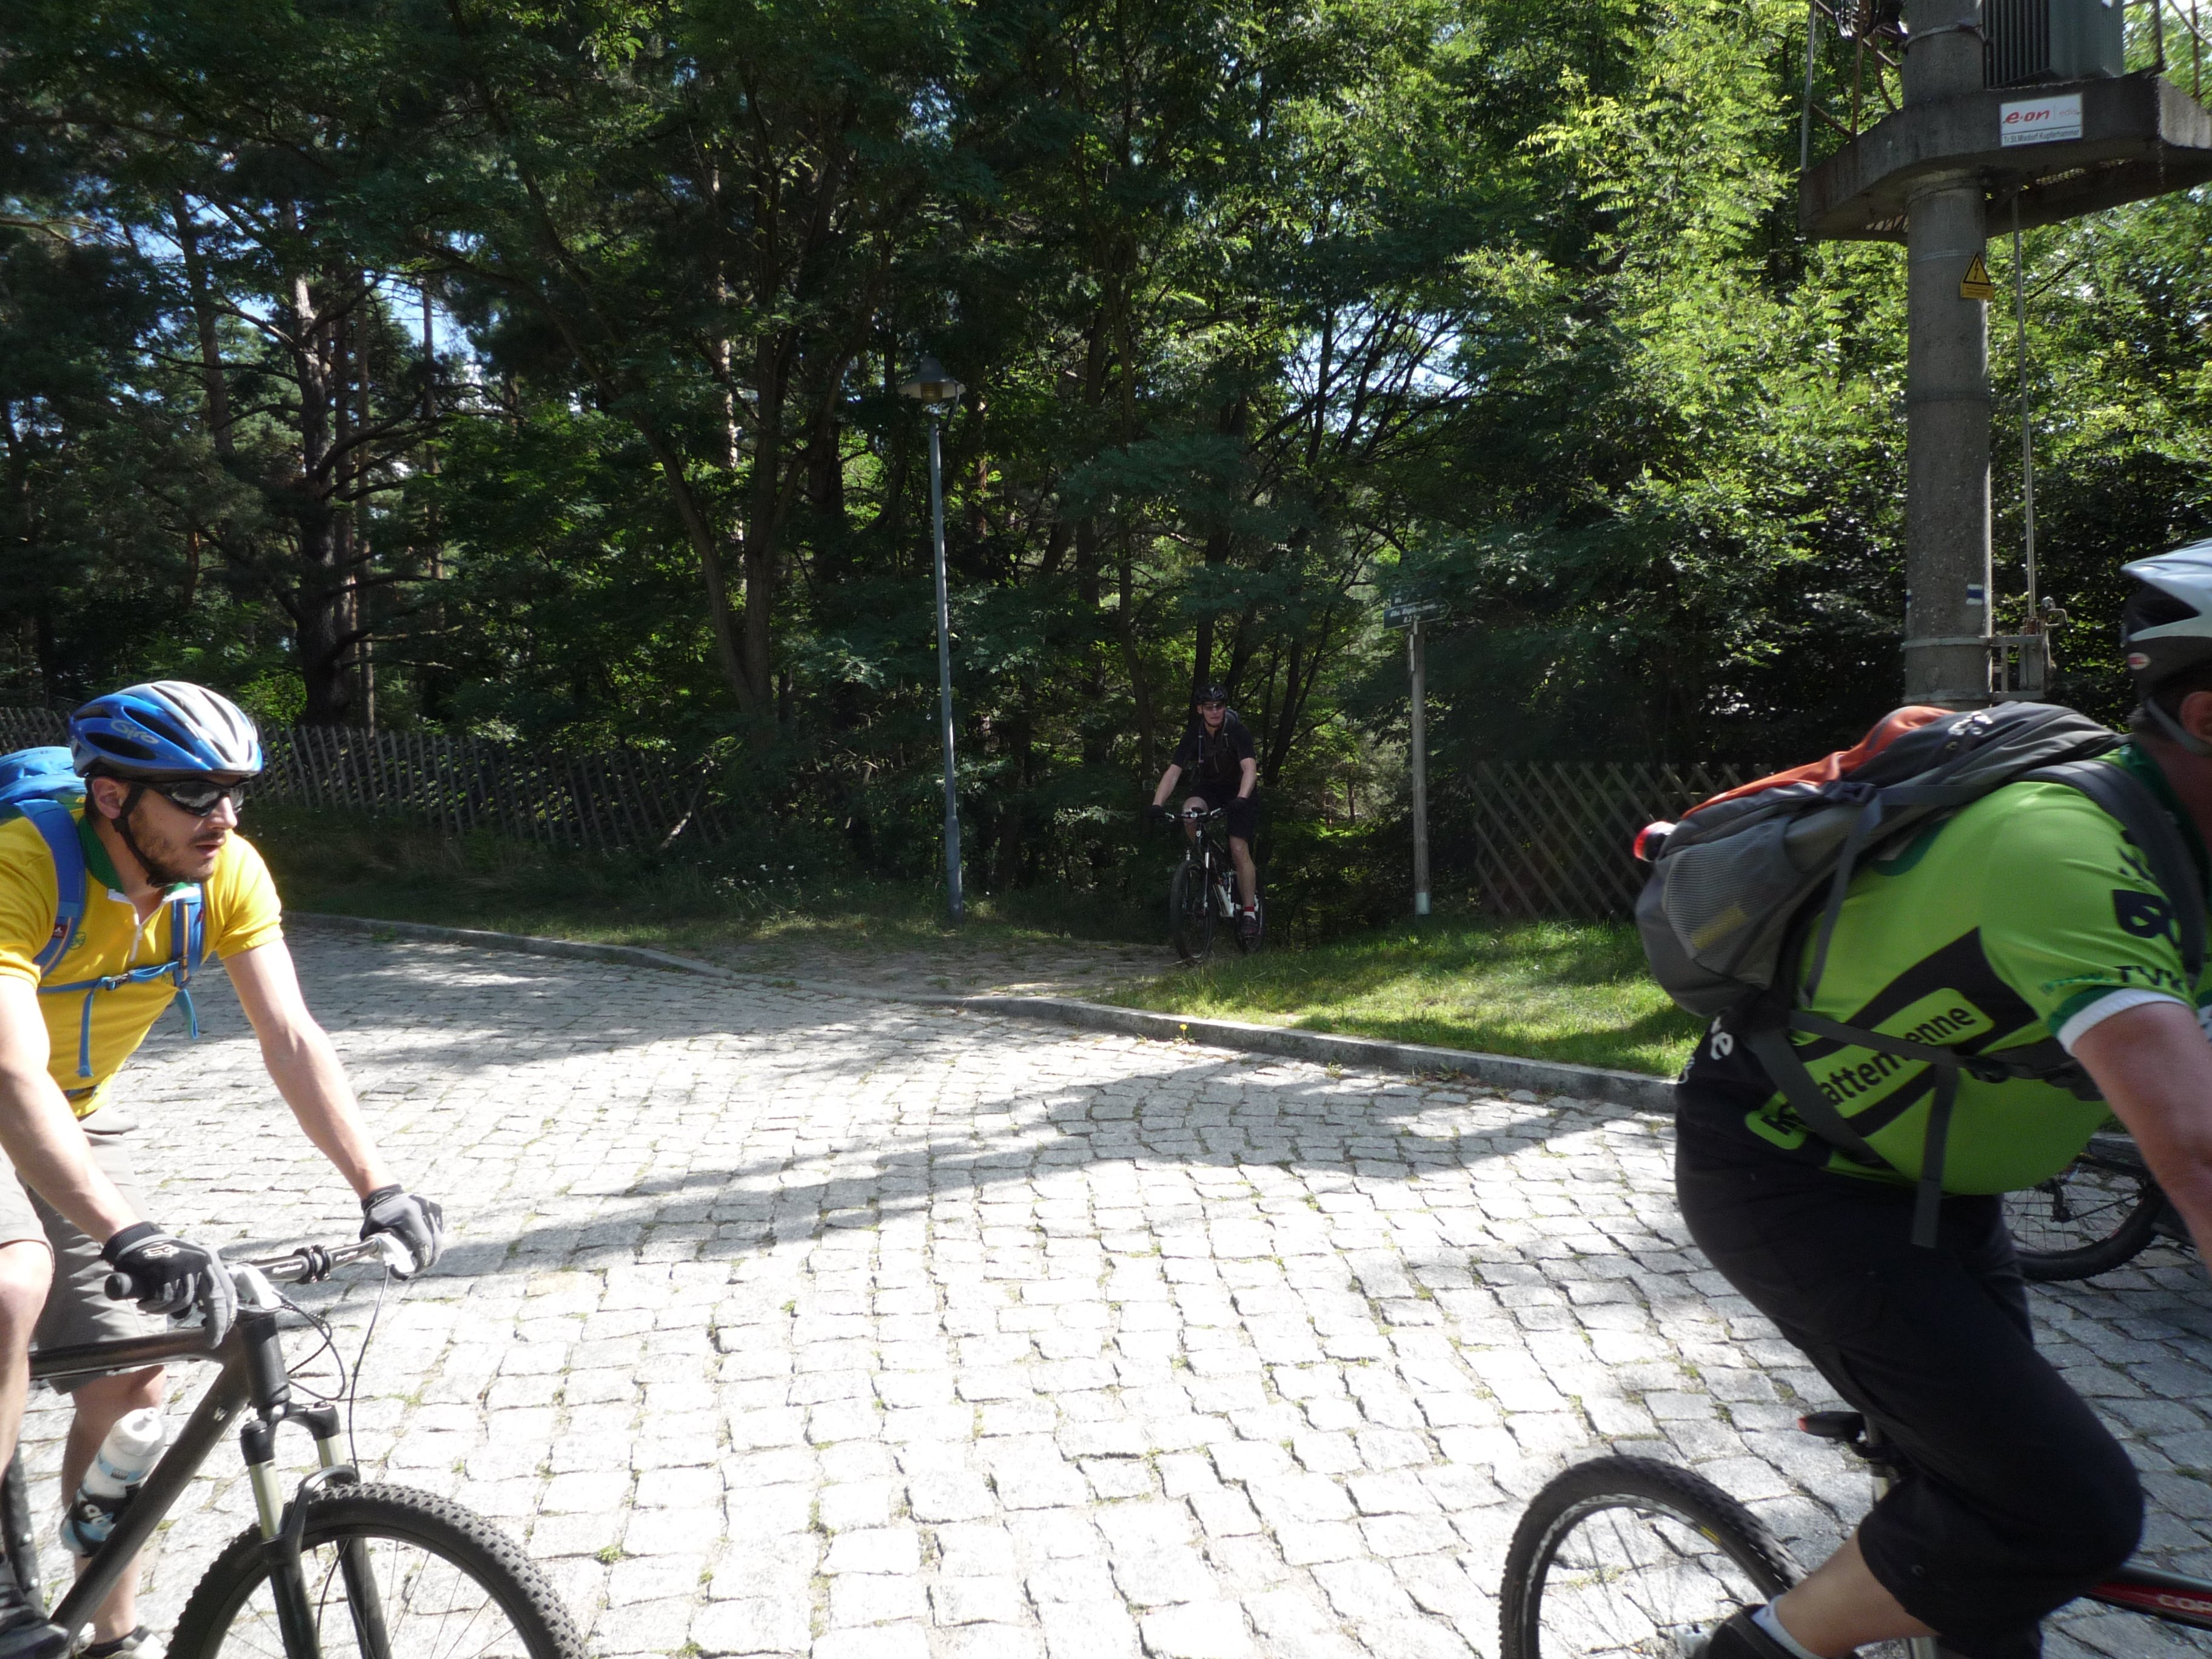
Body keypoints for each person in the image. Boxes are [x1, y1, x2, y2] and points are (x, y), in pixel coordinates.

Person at [1674, 542, 2212, 1659]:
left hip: (1940, 1180)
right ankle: (1753, 1651)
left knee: (1987, 1558)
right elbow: (2197, 1153)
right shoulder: (2064, 852)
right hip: (1790, 1175)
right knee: (2059, 1513)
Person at [0, 682, 445, 1659]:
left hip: (69, 1114)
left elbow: (291, 1036)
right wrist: (128, 1232)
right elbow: (9, 1070)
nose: (226, 817)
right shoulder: (22, 861)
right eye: (196, 795)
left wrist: (379, 1187)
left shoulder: (225, 873)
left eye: (236, 792)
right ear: (112, 797)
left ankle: (108, 1639)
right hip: (7, 1088)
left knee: (131, 1378)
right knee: (12, 1280)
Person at [1150, 683, 1260, 943]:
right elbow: (1173, 772)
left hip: (1240, 790)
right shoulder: (1194, 734)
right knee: (1189, 814)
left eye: (1219, 706)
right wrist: (1157, 804)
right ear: (1200, 709)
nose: (1215, 711)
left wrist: (1242, 798)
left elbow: (1250, 769)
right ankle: (1207, 867)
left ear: (1224, 707)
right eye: (1209, 707)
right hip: (1210, 788)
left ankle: (1249, 912)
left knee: (1238, 848)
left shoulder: (1237, 731)